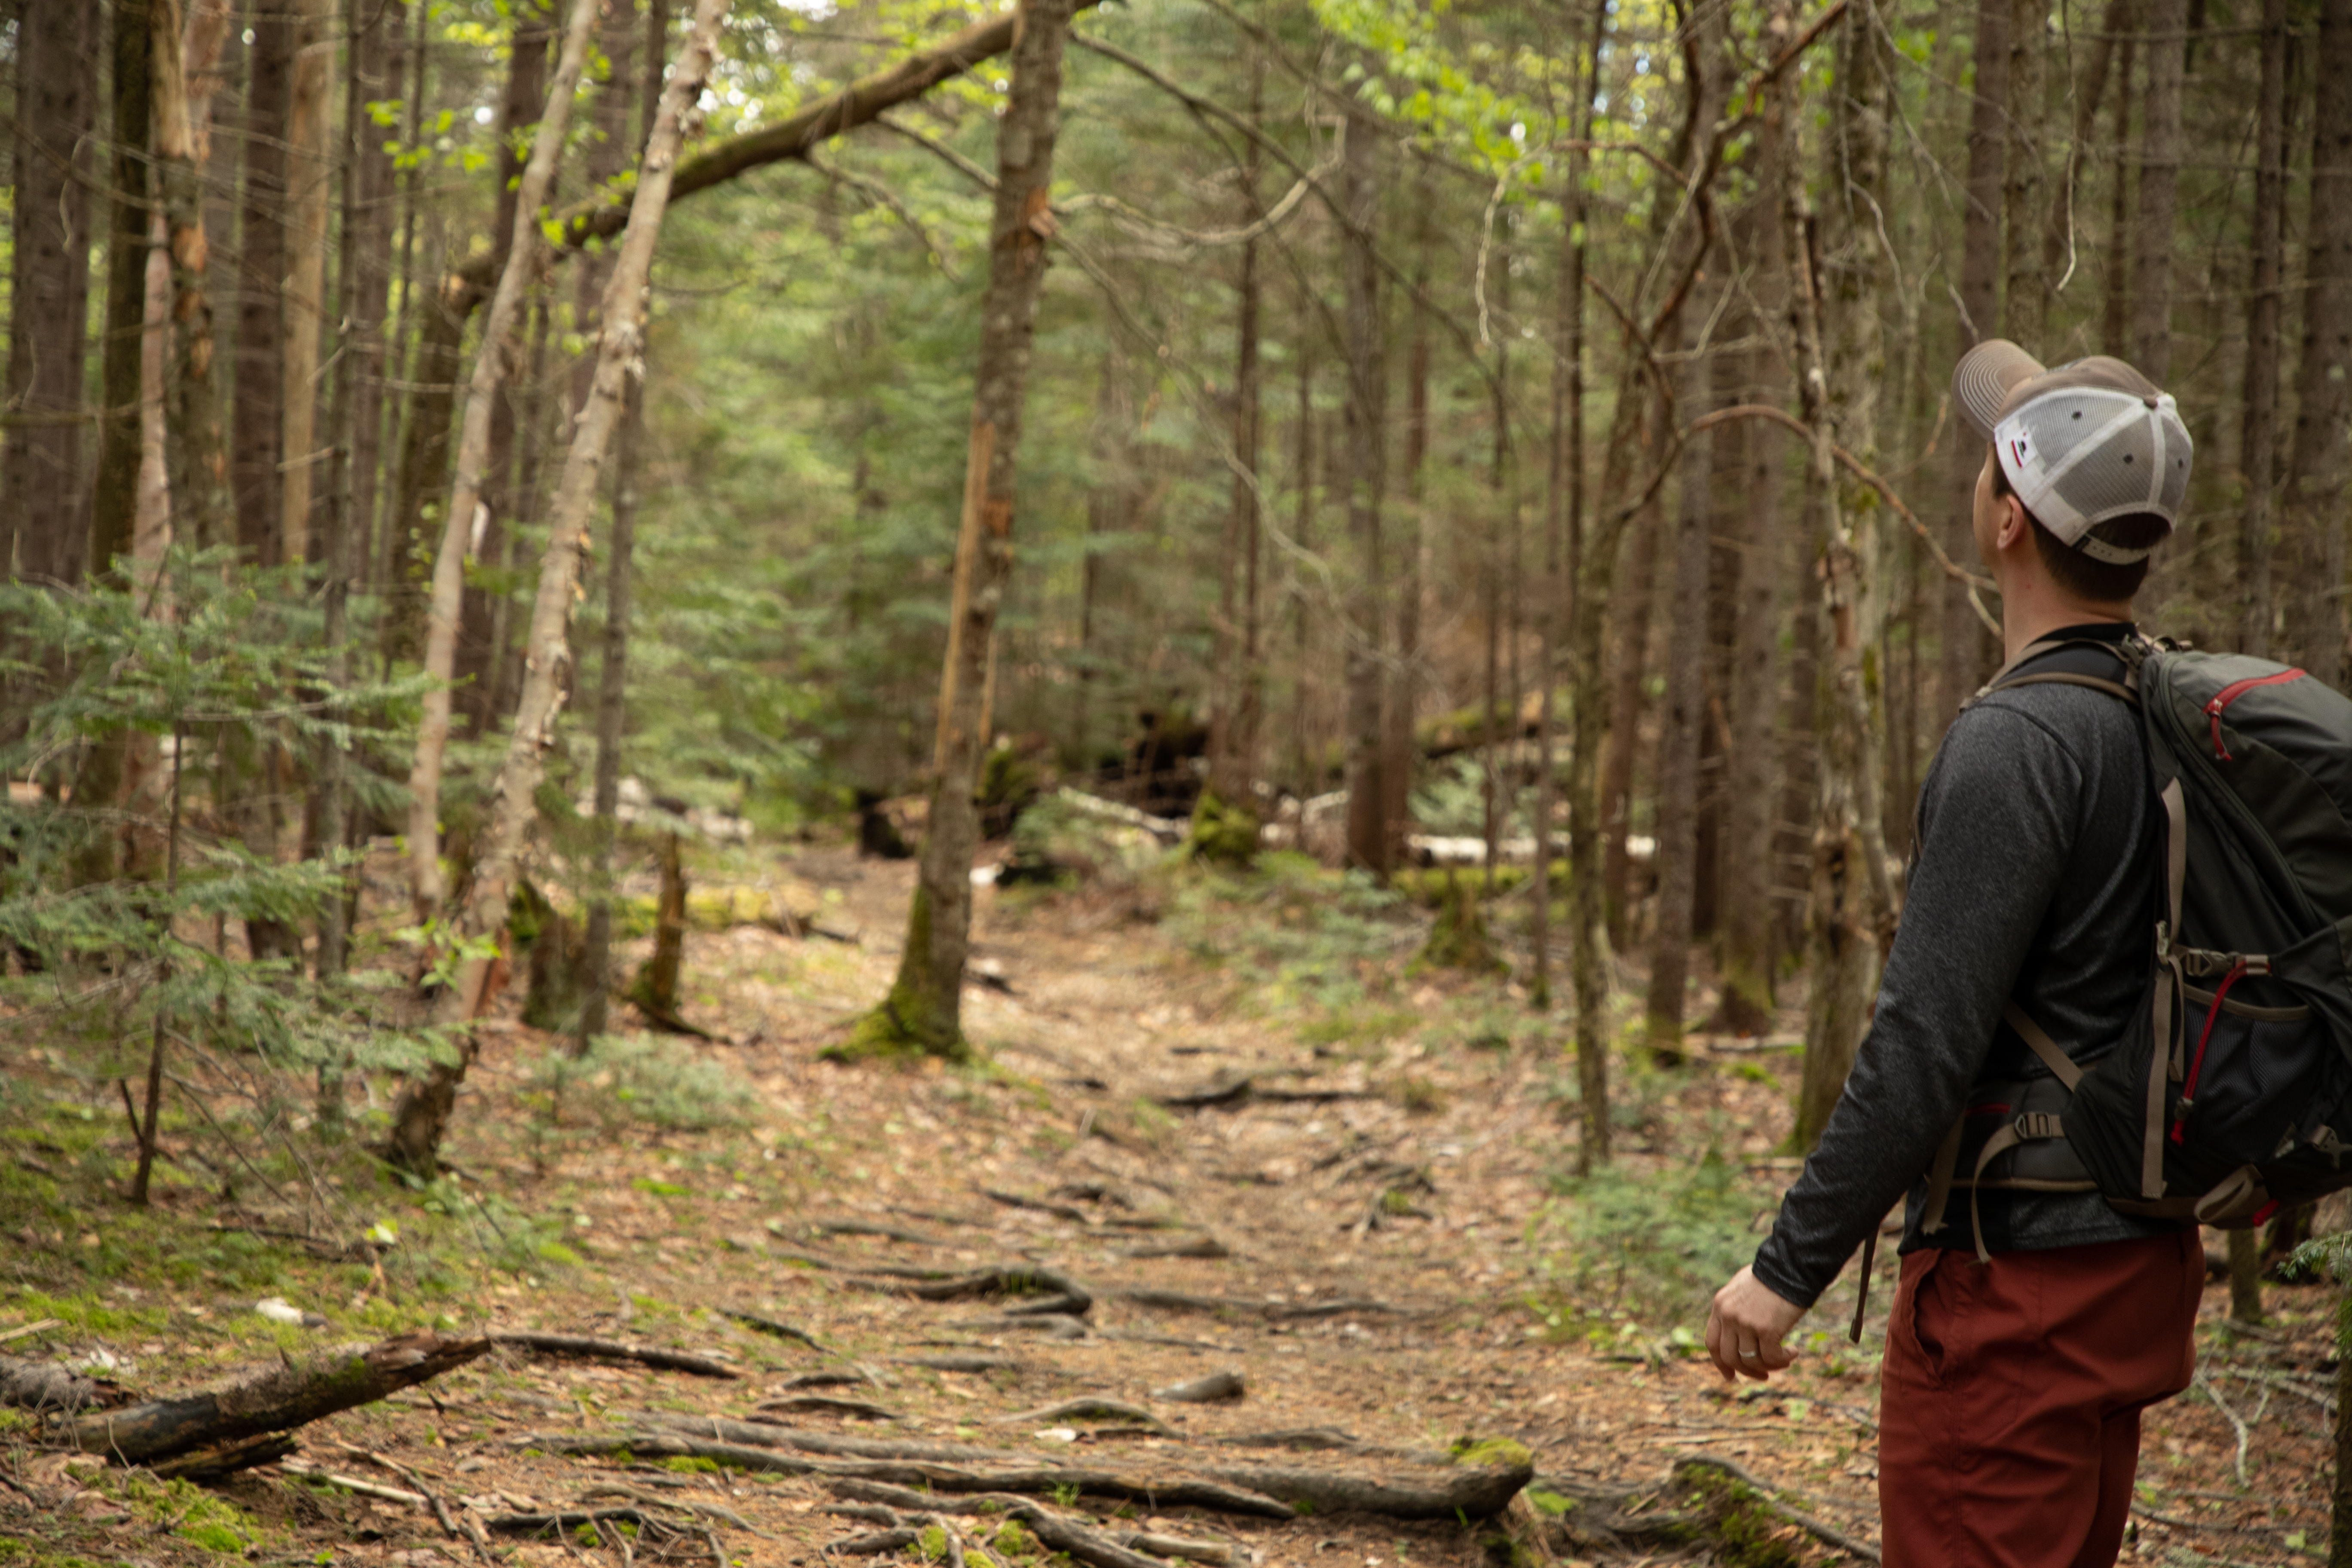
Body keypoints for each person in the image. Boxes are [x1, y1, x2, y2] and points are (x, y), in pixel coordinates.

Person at [1703, 340, 2207, 1568]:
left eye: (1988, 465)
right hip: (2135, 1267)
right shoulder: (2168, 716)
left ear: (2005, 522)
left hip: (2014, 1299)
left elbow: (1923, 1046)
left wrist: (1786, 1269)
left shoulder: (2015, 745)